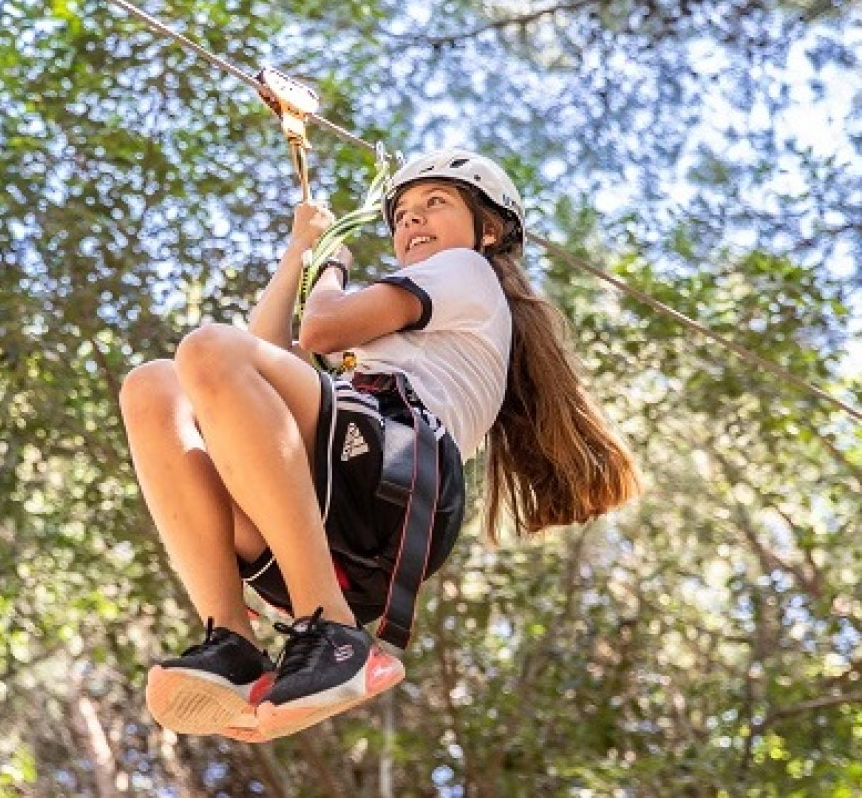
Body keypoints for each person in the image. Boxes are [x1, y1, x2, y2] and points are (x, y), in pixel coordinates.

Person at [118, 149, 639, 743]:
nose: (411, 221)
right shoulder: (397, 334)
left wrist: (333, 271)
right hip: (332, 517)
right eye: (402, 215)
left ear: (487, 230)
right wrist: (302, 252)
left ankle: (335, 635)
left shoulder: (467, 271)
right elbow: (256, 351)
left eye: (433, 203)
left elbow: (315, 330)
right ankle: (233, 641)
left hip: (397, 475)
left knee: (209, 350)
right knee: (153, 387)